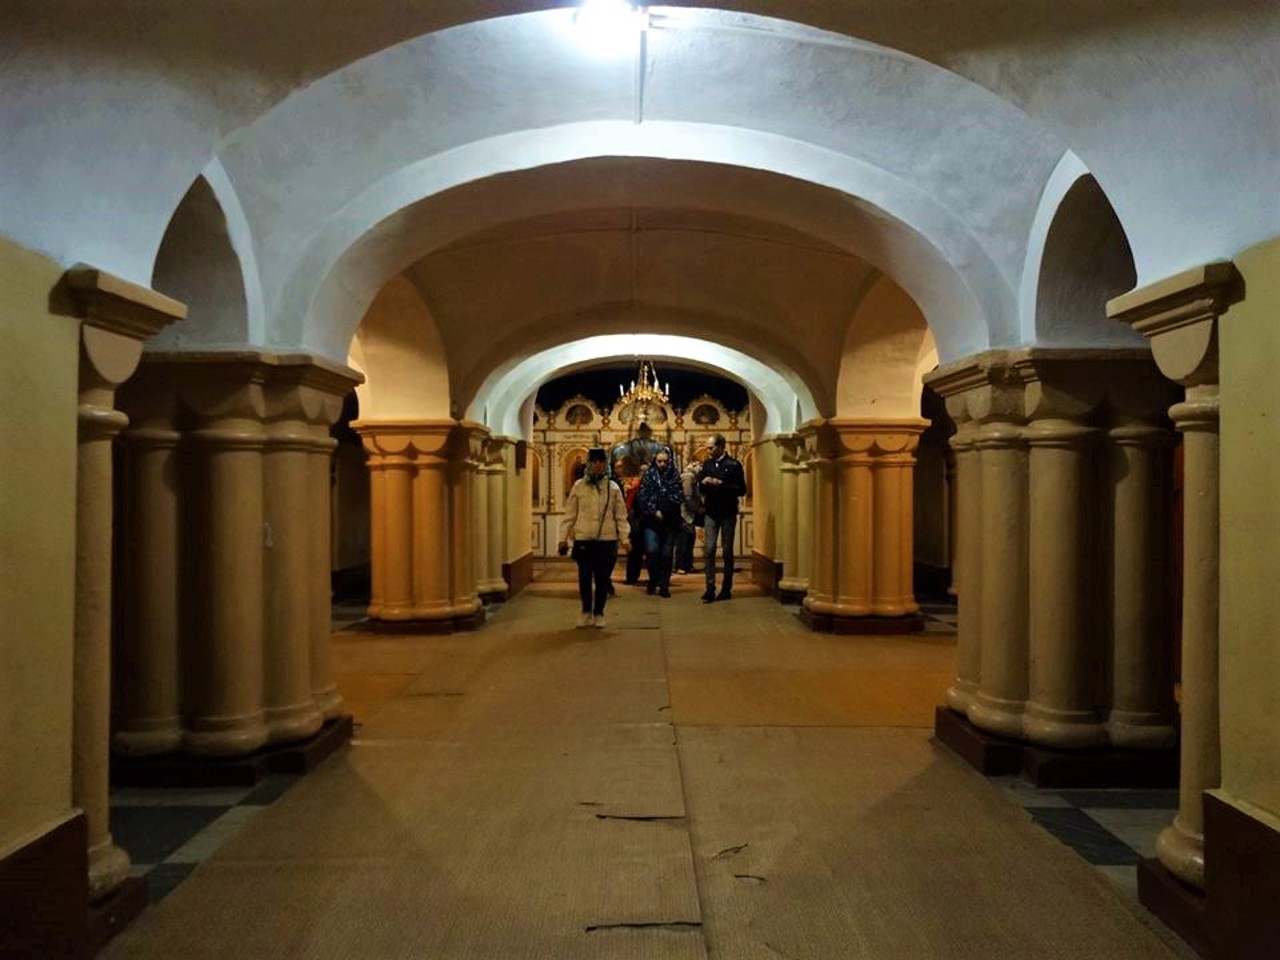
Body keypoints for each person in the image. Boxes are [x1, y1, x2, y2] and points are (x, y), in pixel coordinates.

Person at [558, 448, 630, 628]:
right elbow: (570, 514)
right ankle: (585, 611)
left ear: (605, 464)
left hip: (607, 539)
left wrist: (625, 538)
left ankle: (599, 612)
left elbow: (620, 516)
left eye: (601, 461)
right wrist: (563, 538)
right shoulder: (579, 486)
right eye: (594, 461)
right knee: (584, 577)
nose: (598, 465)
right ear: (588, 464)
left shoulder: (612, 488)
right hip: (584, 538)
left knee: (602, 578)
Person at [697, 434, 746, 603]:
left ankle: (726, 587)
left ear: (720, 447)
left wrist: (721, 484)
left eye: (711, 448)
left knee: (726, 552)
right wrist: (704, 481)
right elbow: (700, 484)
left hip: (727, 513)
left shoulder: (733, 465)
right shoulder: (708, 464)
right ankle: (710, 587)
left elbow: (741, 489)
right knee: (709, 549)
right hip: (711, 512)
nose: (708, 451)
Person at [634, 447, 684, 597]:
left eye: (665, 461)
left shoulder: (674, 475)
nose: (662, 464)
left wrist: (664, 510)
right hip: (651, 521)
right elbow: (643, 496)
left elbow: (677, 496)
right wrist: (654, 510)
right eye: (659, 461)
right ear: (655, 461)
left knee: (667, 554)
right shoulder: (649, 475)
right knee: (652, 551)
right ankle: (653, 579)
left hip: (670, 522)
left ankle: (664, 585)